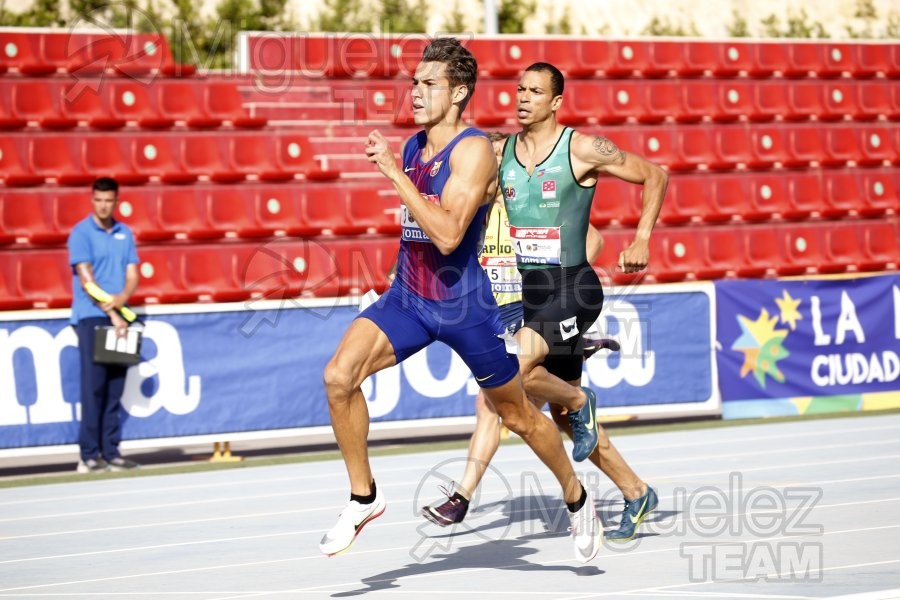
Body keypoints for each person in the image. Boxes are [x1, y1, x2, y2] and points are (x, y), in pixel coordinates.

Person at [319, 39, 602, 563]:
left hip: (466, 310)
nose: (416, 92)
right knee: (339, 377)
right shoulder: (412, 146)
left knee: (518, 418)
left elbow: (449, 235)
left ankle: (576, 497)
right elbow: (416, 230)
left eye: (429, 84)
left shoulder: (471, 151)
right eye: (414, 82)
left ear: (459, 92)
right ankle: (364, 497)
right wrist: (387, 280)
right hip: (408, 299)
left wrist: (394, 175)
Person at [503, 62, 667, 543]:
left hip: (574, 289)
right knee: (566, 419)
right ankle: (636, 492)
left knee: (520, 368)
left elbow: (655, 175)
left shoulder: (583, 148)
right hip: (534, 300)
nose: (523, 97)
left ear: (556, 102)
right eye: (519, 88)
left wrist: (641, 239)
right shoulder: (502, 153)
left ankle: (580, 400)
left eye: (535, 91)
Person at [422, 132, 614, 527]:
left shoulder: (525, 207)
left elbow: (592, 240)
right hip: (496, 320)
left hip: (532, 315)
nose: (494, 169)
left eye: (497, 160)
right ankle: (629, 489)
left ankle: (461, 497)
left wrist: (562, 291)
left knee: (492, 407)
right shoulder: (472, 212)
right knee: (542, 417)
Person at [67, 177, 141, 474]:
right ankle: (89, 454)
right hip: (92, 316)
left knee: (115, 387)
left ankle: (111, 451)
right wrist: (113, 313)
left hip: (120, 315)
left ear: (116, 201)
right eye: (98, 200)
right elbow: (87, 280)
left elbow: (133, 274)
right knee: (93, 387)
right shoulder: (81, 233)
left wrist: (122, 301)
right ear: (92, 200)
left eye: (108, 200)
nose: (103, 205)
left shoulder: (126, 233)